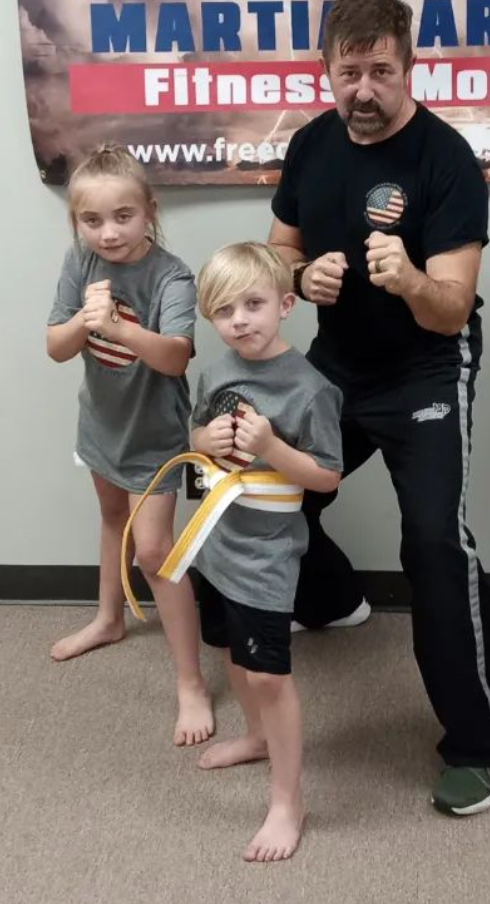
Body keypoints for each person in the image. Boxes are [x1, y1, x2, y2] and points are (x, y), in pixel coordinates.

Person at [268, 0, 490, 815]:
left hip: (425, 368)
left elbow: (452, 307)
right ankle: (334, 599)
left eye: (382, 70)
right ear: (326, 72)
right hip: (338, 363)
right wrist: (301, 277)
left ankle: (487, 741)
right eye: (350, 72)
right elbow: (277, 258)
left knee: (433, 545)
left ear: (408, 67)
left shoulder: (445, 160)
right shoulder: (311, 145)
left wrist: (412, 279)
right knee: (273, 496)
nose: (365, 89)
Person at [44, 146, 213, 747]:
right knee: (111, 517)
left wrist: (116, 326)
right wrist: (84, 325)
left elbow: (174, 356)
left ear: (149, 213)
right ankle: (110, 619)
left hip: (157, 439)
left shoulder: (173, 275)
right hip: (102, 428)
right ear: (77, 224)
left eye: (122, 216)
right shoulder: (78, 262)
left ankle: (190, 682)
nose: (107, 232)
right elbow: (57, 347)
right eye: (92, 221)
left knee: (153, 553)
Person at [186, 242, 343, 862]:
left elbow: (327, 477)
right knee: (229, 651)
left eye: (253, 304)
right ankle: (254, 736)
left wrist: (272, 447)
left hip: (267, 557)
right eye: (224, 310)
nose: (240, 321)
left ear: (285, 304)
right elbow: (195, 438)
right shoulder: (216, 370)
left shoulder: (310, 389)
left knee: (268, 676)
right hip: (216, 542)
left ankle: (288, 801)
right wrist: (206, 436)